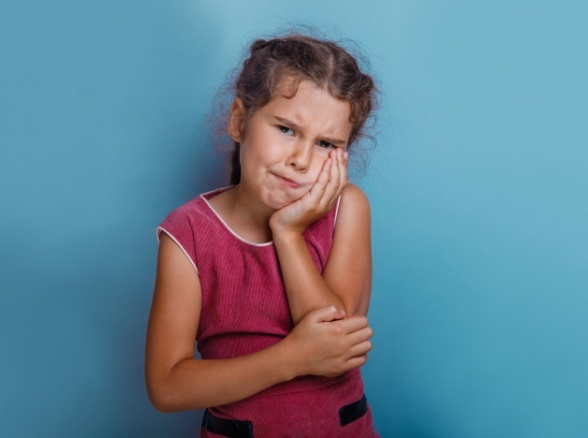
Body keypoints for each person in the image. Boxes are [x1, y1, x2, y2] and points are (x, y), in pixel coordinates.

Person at [145, 32, 379, 437]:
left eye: (325, 143)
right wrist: (290, 358)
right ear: (240, 121)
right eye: (286, 129)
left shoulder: (349, 208)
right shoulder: (188, 233)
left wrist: (288, 232)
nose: (301, 160)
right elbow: (166, 386)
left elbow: (335, 341)